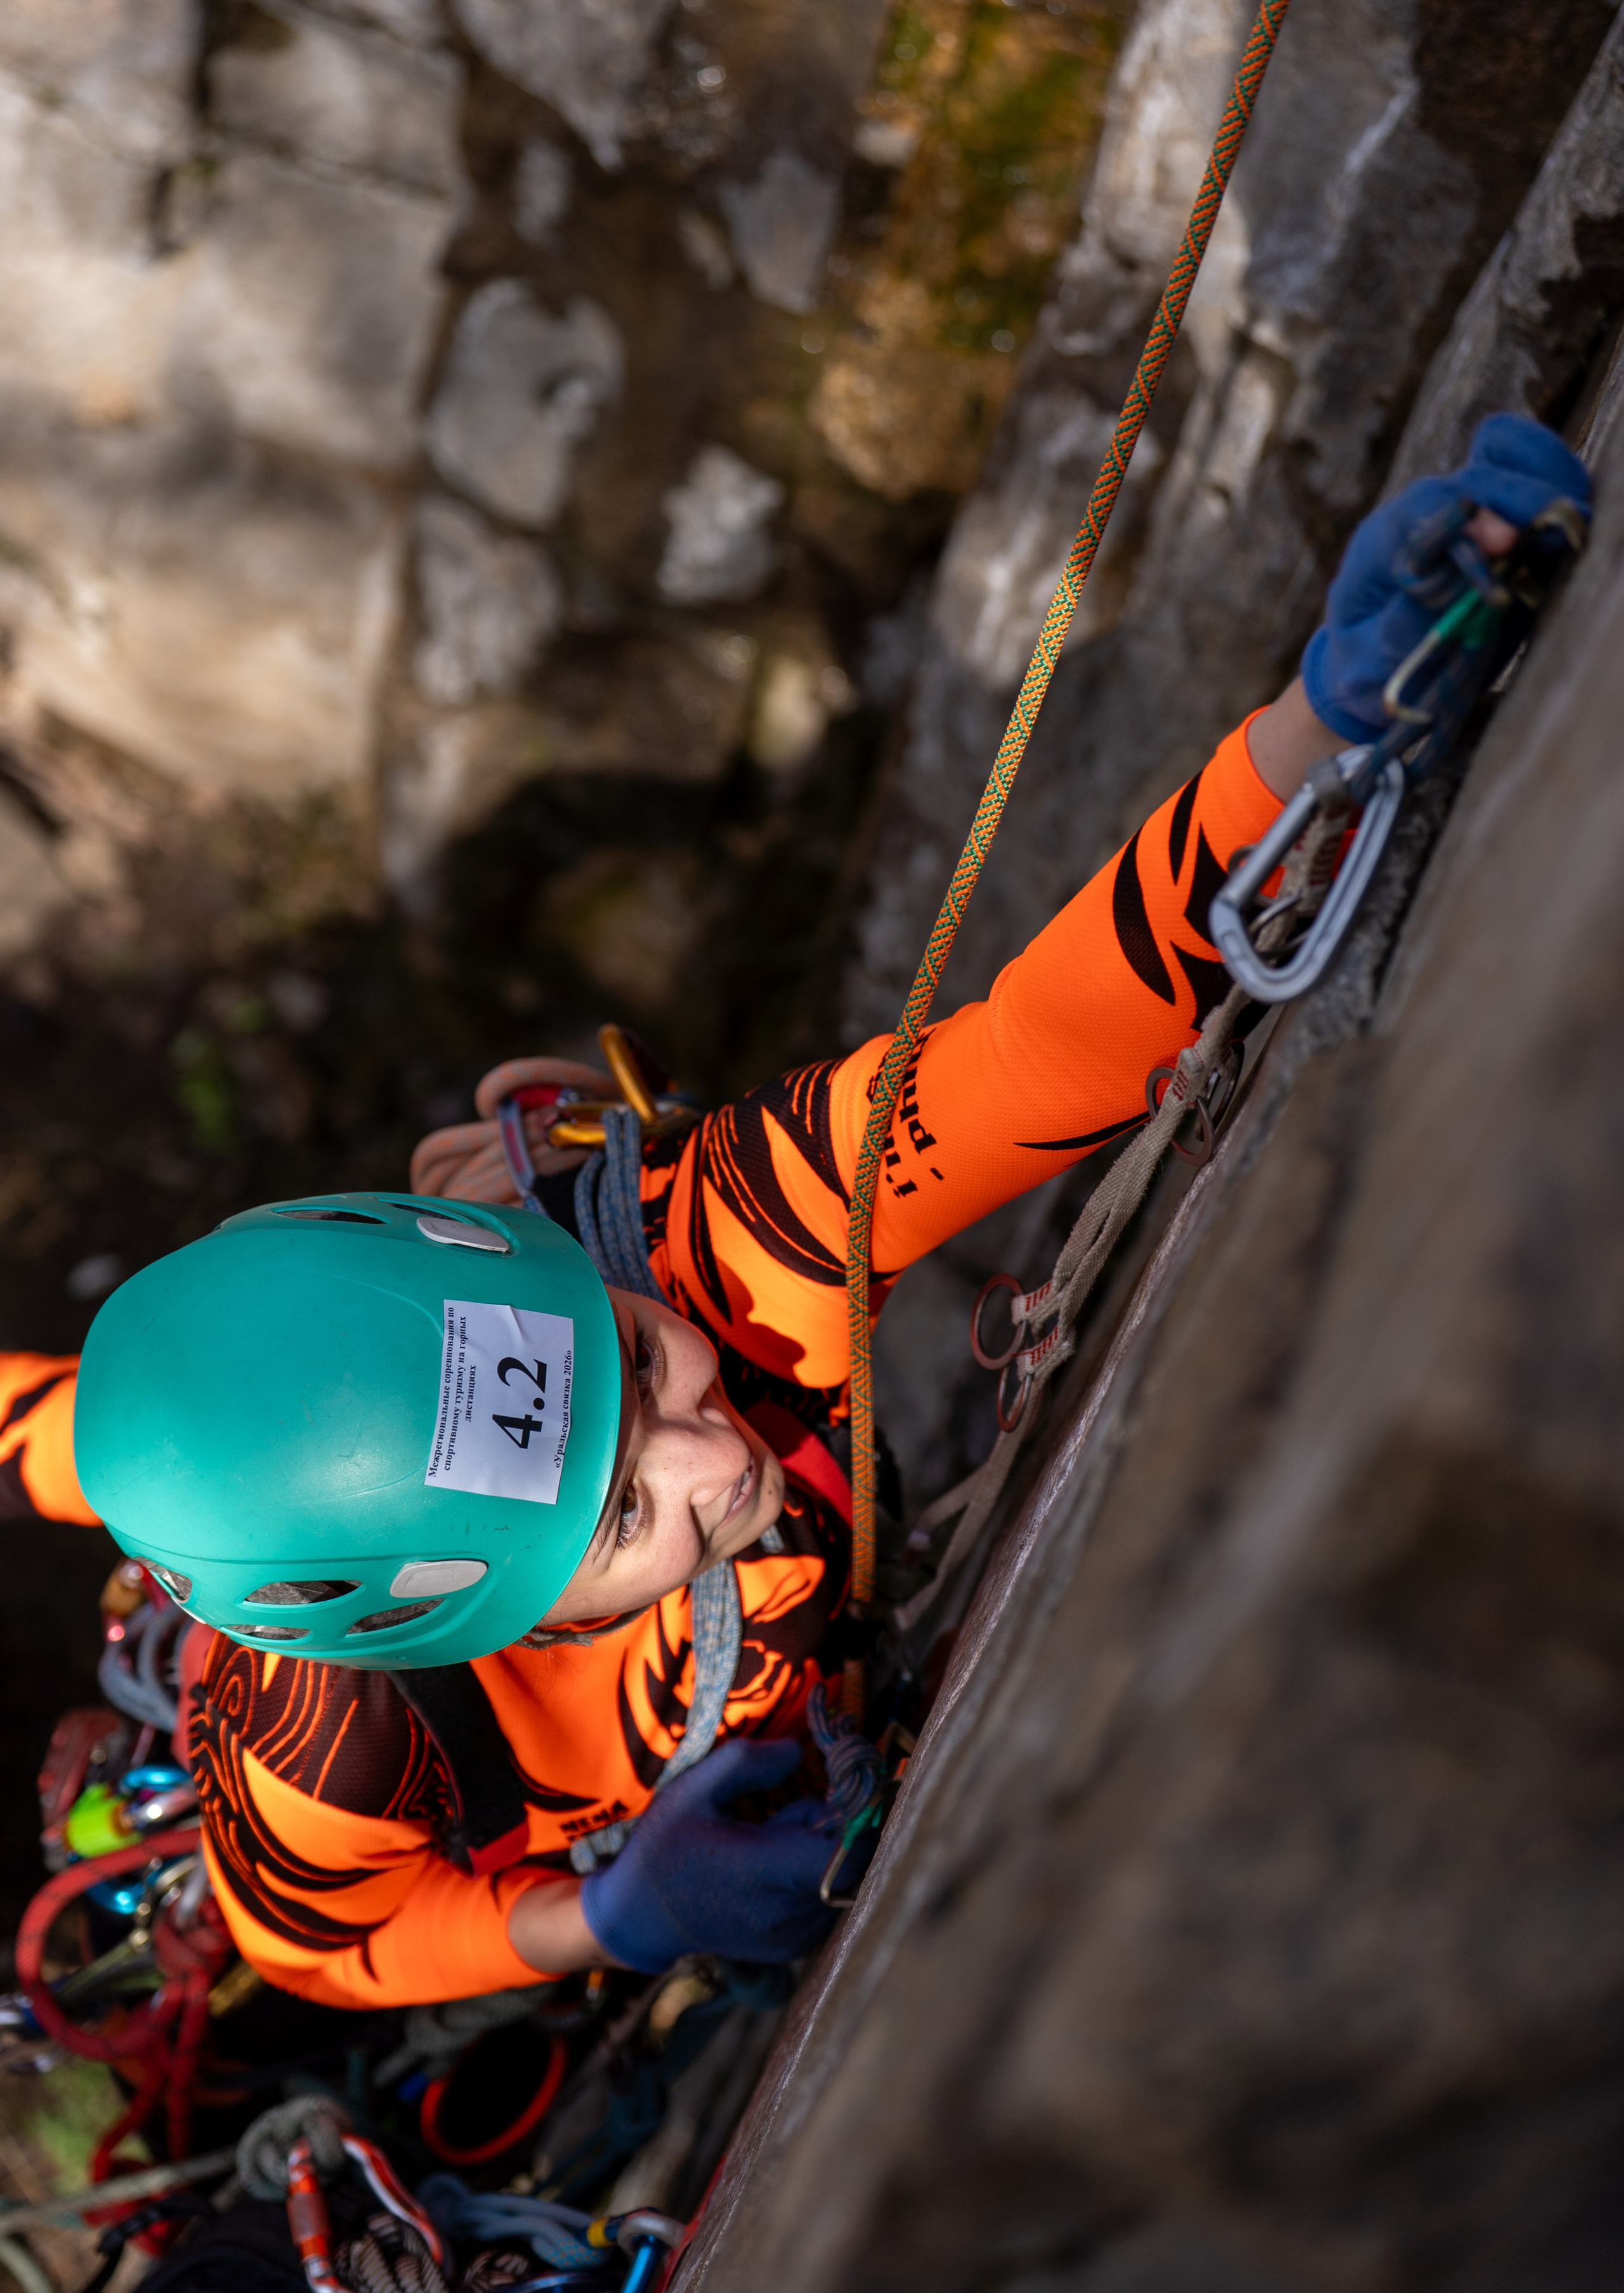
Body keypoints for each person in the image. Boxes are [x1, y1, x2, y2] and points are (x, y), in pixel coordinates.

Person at [8, 416, 1589, 2010]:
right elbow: (324, 1946)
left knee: (78, 1431)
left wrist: (1316, 728)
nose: (713, 1459)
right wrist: (611, 1917)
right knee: (71, 1441)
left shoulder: (707, 1247)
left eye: (636, 1362)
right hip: (341, 1614)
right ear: (456, 1625)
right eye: (615, 1516)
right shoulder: (325, 1741)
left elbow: (1036, 1050)